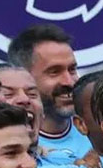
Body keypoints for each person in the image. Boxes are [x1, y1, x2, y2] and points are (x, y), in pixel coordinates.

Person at [6, 24, 90, 159]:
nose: (69, 82)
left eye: (72, 70)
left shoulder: (98, 133)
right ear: (23, 76)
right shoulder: (8, 148)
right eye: (54, 72)